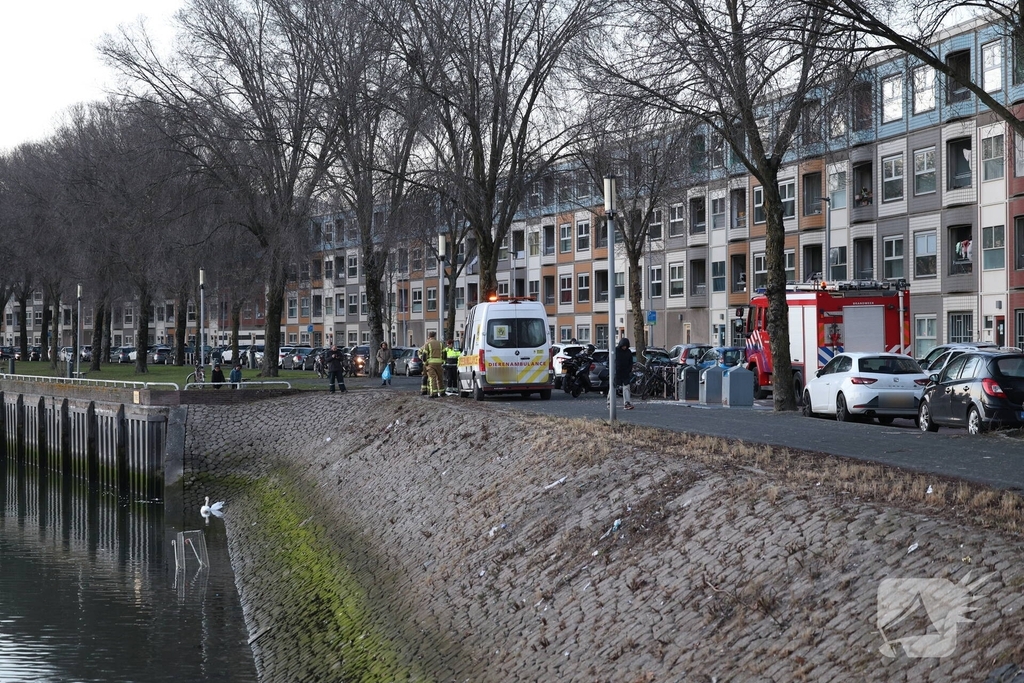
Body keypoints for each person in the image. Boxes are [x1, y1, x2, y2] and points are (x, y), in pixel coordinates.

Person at [419, 331, 445, 398]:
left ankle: (434, 393)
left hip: (430, 364)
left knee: (432, 378)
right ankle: (442, 392)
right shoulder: (440, 343)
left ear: (429, 336)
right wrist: (443, 361)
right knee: (440, 378)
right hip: (439, 363)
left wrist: (425, 363)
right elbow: (444, 353)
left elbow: (424, 355)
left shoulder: (427, 344)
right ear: (435, 336)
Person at [613, 337, 634, 410]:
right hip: (617, 372)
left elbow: (630, 362)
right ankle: (610, 402)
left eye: (626, 346)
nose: (624, 347)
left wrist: (629, 369)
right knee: (613, 387)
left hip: (625, 372)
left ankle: (627, 402)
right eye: (623, 346)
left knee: (626, 387)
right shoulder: (616, 350)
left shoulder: (628, 352)